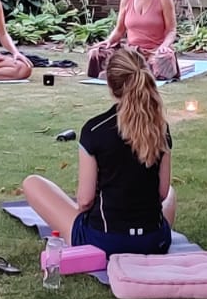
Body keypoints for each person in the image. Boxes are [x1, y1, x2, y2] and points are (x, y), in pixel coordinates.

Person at [22, 47, 175, 254]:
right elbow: (163, 193)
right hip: (154, 241)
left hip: (103, 242)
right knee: (172, 193)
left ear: (111, 85)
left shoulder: (95, 130)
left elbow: (85, 201)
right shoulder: (160, 128)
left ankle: (88, 234)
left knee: (32, 183)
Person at [87, 0, 179, 81]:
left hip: (154, 52)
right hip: (131, 52)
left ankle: (129, 72)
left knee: (164, 59)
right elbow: (119, 30)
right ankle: (135, 71)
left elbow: (171, 30)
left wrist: (164, 46)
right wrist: (109, 41)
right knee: (97, 53)